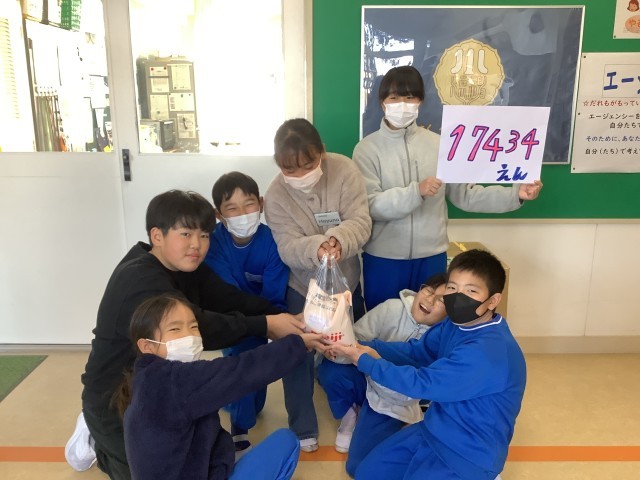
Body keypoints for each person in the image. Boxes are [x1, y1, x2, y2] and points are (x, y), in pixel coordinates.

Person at [72, 190, 308, 480]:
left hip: (161, 394)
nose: (196, 245)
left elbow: (229, 298)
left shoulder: (186, 267)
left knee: (198, 453)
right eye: (185, 234)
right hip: (117, 401)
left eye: (204, 235)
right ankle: (94, 439)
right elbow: (204, 327)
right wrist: (268, 325)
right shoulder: (140, 279)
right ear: (157, 236)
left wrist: (282, 316)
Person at [352, 65, 543, 310]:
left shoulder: (441, 145)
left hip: (431, 256)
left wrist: (515, 194)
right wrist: (416, 192)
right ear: (382, 103)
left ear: (420, 101)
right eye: (394, 98)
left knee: (433, 322)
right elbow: (372, 205)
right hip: (384, 258)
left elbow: (465, 195)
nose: (402, 104)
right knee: (382, 322)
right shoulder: (366, 149)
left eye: (409, 97)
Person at [331, 249, 526, 479]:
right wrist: (362, 347)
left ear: (493, 300)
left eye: (471, 291)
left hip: (468, 455)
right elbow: (417, 352)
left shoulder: (488, 353)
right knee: (368, 473)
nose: (457, 296)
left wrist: (366, 361)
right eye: (452, 287)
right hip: (433, 430)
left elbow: (421, 384)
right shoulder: (455, 324)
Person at [117, 293, 324, 480]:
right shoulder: (170, 381)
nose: (189, 336)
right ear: (147, 346)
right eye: (175, 329)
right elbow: (240, 371)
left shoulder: (148, 379)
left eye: (193, 326)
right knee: (285, 443)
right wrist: (298, 344)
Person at [264, 118, 372, 452]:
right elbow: (286, 246)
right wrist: (316, 249)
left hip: (346, 284)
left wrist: (339, 240)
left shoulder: (345, 170)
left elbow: (361, 220)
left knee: (351, 349)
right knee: (298, 354)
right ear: (278, 163)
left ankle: (354, 412)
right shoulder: (275, 195)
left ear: (321, 152)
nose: (300, 174)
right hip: (303, 287)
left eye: (308, 165)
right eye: (289, 169)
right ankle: (302, 426)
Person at [204, 171, 289, 455]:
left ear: (261, 203)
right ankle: (239, 430)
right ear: (218, 214)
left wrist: (271, 324)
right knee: (241, 364)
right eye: (232, 208)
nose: (242, 214)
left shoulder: (272, 242)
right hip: (229, 318)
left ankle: (231, 397)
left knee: (255, 392)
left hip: (265, 316)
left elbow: (274, 294)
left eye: (249, 204)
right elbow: (225, 294)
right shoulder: (214, 244)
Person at [317, 274, 447, 455]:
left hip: (399, 395)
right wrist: (336, 351)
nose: (430, 300)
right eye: (429, 291)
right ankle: (350, 414)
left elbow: (425, 385)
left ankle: (383, 420)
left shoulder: (442, 337)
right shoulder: (391, 308)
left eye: (441, 300)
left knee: (364, 459)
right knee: (331, 369)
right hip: (367, 377)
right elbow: (355, 338)